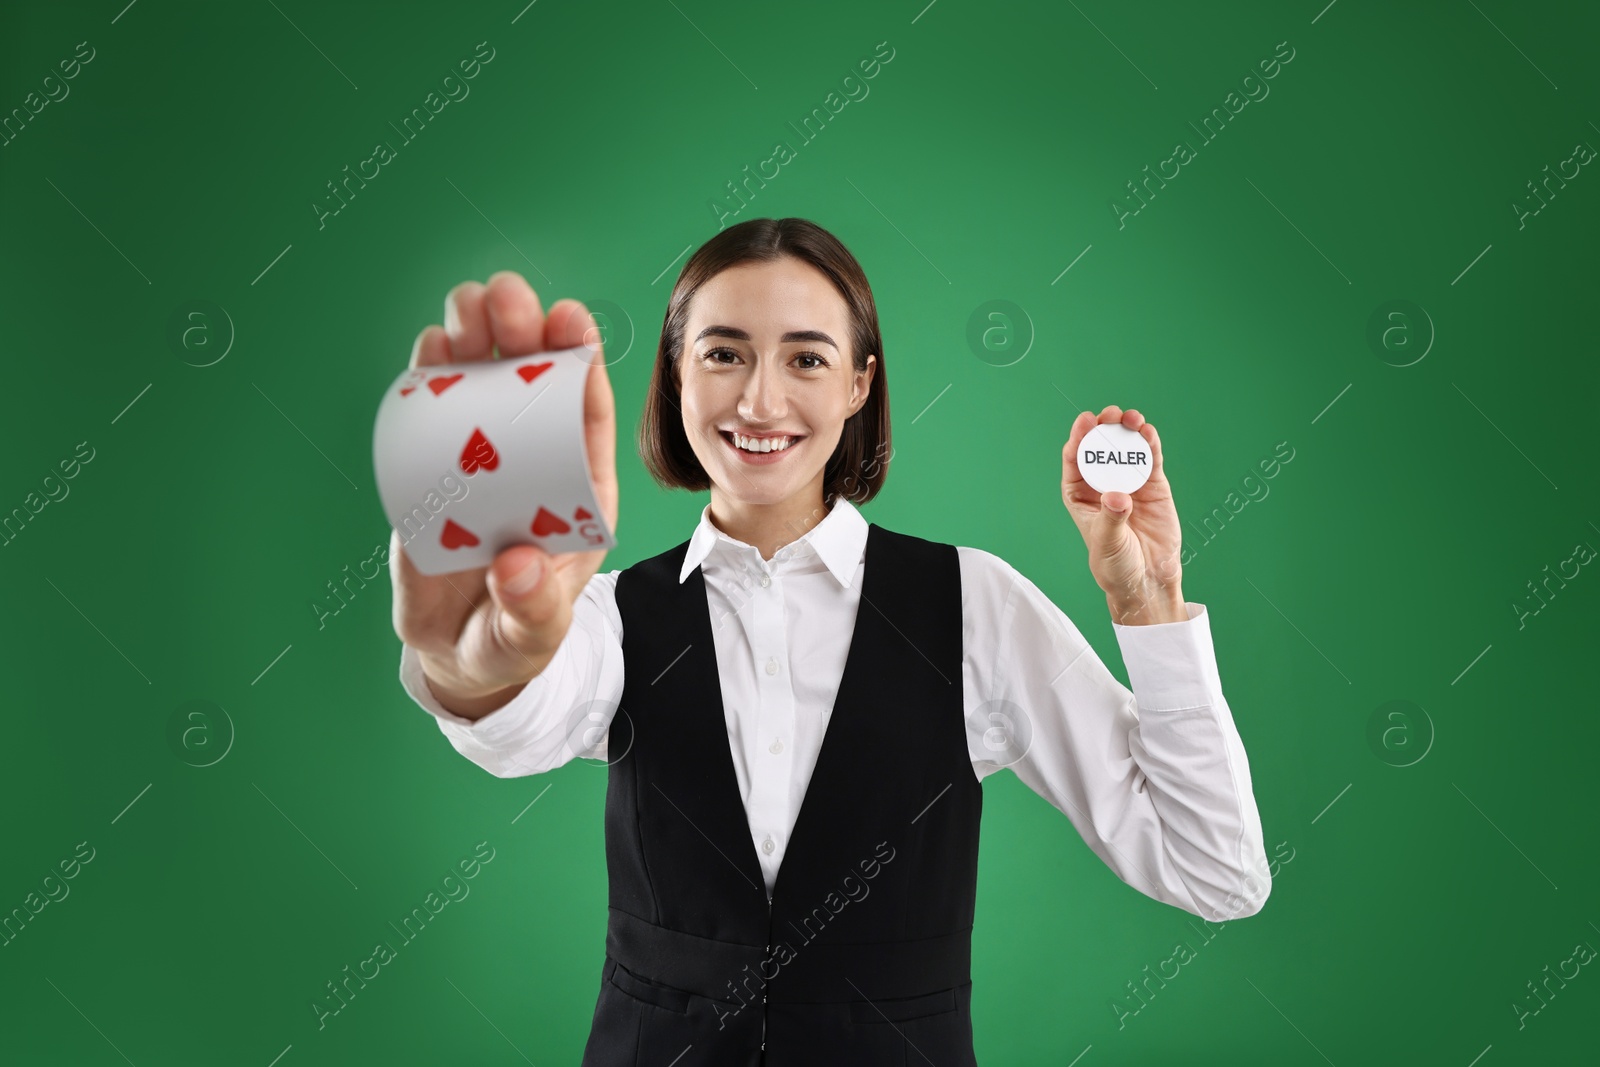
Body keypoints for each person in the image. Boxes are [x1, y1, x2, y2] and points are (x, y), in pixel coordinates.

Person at [389, 217, 1270, 1065]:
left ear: (858, 384)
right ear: (676, 375)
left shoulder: (974, 603)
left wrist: (1151, 602)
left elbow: (1215, 873)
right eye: (723, 353)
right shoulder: (614, 612)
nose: (760, 397)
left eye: (806, 357)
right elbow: (519, 723)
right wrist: (472, 665)